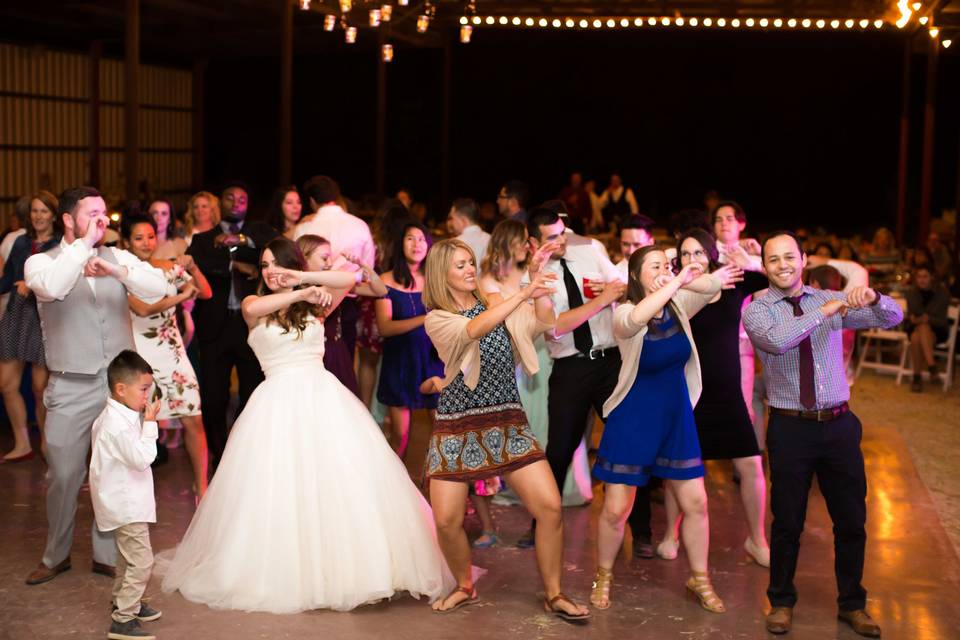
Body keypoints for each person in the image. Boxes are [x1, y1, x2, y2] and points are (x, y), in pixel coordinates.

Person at [161, 237, 450, 613]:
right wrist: (300, 292)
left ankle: (355, 569)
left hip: (324, 400)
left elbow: (345, 281)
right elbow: (262, 303)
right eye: (264, 266)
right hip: (276, 405)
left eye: (276, 264)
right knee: (279, 489)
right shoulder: (254, 305)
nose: (270, 272)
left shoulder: (315, 306)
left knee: (339, 483)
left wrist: (300, 276)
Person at [420, 238, 590, 620]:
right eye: (460, 265)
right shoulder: (438, 317)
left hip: (507, 420)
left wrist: (536, 285)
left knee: (549, 508)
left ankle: (555, 593)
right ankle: (465, 585)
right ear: (441, 273)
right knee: (446, 519)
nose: (469, 269)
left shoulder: (496, 301)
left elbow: (543, 323)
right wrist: (521, 293)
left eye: (470, 263)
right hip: (457, 424)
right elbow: (473, 330)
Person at [744, 231, 902, 637]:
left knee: (852, 520)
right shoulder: (757, 309)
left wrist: (874, 300)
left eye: (789, 257)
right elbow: (779, 342)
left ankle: (853, 604)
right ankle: (780, 601)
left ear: (804, 258)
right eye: (774, 259)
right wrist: (825, 311)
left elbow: (894, 318)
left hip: (839, 426)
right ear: (764, 266)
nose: (783, 265)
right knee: (787, 523)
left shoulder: (825, 299)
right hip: (790, 428)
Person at [23, 186, 167, 586]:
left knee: (116, 472)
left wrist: (117, 271)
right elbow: (52, 287)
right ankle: (56, 555)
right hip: (69, 385)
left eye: (105, 213)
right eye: (93, 214)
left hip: (118, 391)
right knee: (64, 476)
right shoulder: (40, 261)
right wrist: (82, 247)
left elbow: (158, 288)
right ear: (68, 219)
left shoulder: (117, 256)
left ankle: (106, 555)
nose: (102, 221)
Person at [589, 246, 735, 613]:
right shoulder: (622, 312)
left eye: (666, 265)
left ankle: (699, 579)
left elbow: (712, 286)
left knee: (697, 502)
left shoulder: (679, 304)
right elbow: (636, 318)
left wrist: (701, 268)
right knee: (615, 509)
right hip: (634, 418)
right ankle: (603, 575)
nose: (665, 271)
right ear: (636, 275)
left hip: (675, 417)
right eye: (655, 266)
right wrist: (676, 283)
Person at [657, 229, 770, 567]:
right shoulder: (674, 292)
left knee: (750, 464)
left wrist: (749, 258)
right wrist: (698, 281)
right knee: (682, 468)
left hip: (728, 394)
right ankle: (670, 534)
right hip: (689, 393)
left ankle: (757, 539)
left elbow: (771, 282)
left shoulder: (732, 282)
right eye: (686, 254)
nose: (693, 260)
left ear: (711, 255)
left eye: (699, 254)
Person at [521, 207, 627, 548]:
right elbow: (555, 327)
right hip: (570, 367)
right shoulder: (534, 280)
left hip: (611, 362)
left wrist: (613, 290)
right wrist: (601, 302)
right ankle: (540, 525)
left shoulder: (590, 248)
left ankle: (640, 531)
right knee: (560, 448)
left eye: (563, 231)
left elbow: (620, 287)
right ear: (533, 242)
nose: (561, 240)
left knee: (626, 442)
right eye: (551, 237)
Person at [480, 220, 592, 507]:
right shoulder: (489, 280)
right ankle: (522, 487)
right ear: (505, 243)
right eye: (521, 242)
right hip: (516, 357)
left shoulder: (531, 271)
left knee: (552, 421)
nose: (526, 247)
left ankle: (562, 486)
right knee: (524, 423)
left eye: (528, 242)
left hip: (545, 352)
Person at [187, 182, 278, 472]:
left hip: (250, 326)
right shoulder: (203, 240)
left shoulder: (259, 235)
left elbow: (271, 252)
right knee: (214, 396)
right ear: (220, 203)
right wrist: (238, 265)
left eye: (242, 198)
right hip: (215, 327)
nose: (237, 202)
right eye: (230, 197)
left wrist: (241, 242)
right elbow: (204, 266)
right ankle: (219, 452)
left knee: (252, 393)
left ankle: (242, 447)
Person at [122, 214, 213, 500]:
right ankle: (133, 493)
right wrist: (182, 294)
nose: (146, 242)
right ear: (126, 242)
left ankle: (202, 487)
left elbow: (207, 292)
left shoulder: (168, 268)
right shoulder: (122, 274)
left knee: (193, 419)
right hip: (140, 358)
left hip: (173, 354)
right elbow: (142, 310)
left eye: (150, 236)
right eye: (138, 237)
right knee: (137, 428)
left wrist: (193, 267)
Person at [90, 351, 163, 640]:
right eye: (143, 389)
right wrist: (151, 424)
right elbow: (142, 458)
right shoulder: (117, 425)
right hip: (126, 504)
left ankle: (124, 601)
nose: (148, 395)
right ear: (121, 389)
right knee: (142, 561)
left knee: (126, 559)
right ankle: (123, 619)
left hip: (126, 501)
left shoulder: (120, 415)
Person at [0, 190, 61, 462]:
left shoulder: (61, 245)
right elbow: (8, 280)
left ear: (54, 215)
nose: (38, 216)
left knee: (40, 388)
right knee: (6, 384)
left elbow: (62, 284)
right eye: (34, 211)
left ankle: (47, 443)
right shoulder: (20, 242)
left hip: (43, 317)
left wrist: (33, 285)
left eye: (44, 211)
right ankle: (22, 442)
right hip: (16, 315)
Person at [375, 221, 444, 457]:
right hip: (400, 362)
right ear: (400, 244)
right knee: (400, 438)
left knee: (444, 433)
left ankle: (444, 489)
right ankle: (396, 490)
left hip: (433, 361)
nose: (417, 244)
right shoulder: (385, 280)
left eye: (422, 239)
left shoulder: (436, 278)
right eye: (410, 238)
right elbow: (384, 327)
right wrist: (424, 319)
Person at [295, 175, 376, 361]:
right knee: (344, 360)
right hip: (348, 300)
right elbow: (368, 270)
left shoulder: (305, 227)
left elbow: (296, 267)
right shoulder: (359, 225)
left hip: (310, 301)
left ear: (312, 201)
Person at [297, 234, 387, 397]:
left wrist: (363, 264)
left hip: (335, 353)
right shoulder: (296, 291)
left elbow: (380, 290)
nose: (330, 263)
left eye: (330, 258)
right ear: (304, 258)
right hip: (310, 356)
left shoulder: (335, 282)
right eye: (324, 258)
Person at [904, 264, 950, 392]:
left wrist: (927, 319)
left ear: (931, 278)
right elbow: (914, 316)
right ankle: (932, 366)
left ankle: (917, 378)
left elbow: (940, 320)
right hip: (915, 328)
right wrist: (921, 319)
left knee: (919, 333)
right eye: (919, 277)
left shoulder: (942, 294)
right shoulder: (912, 293)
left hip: (937, 330)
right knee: (917, 333)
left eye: (925, 276)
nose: (922, 280)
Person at [446, 198, 490, 267]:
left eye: (452, 218)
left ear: (463, 220)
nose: (452, 223)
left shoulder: (454, 244)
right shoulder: (491, 239)